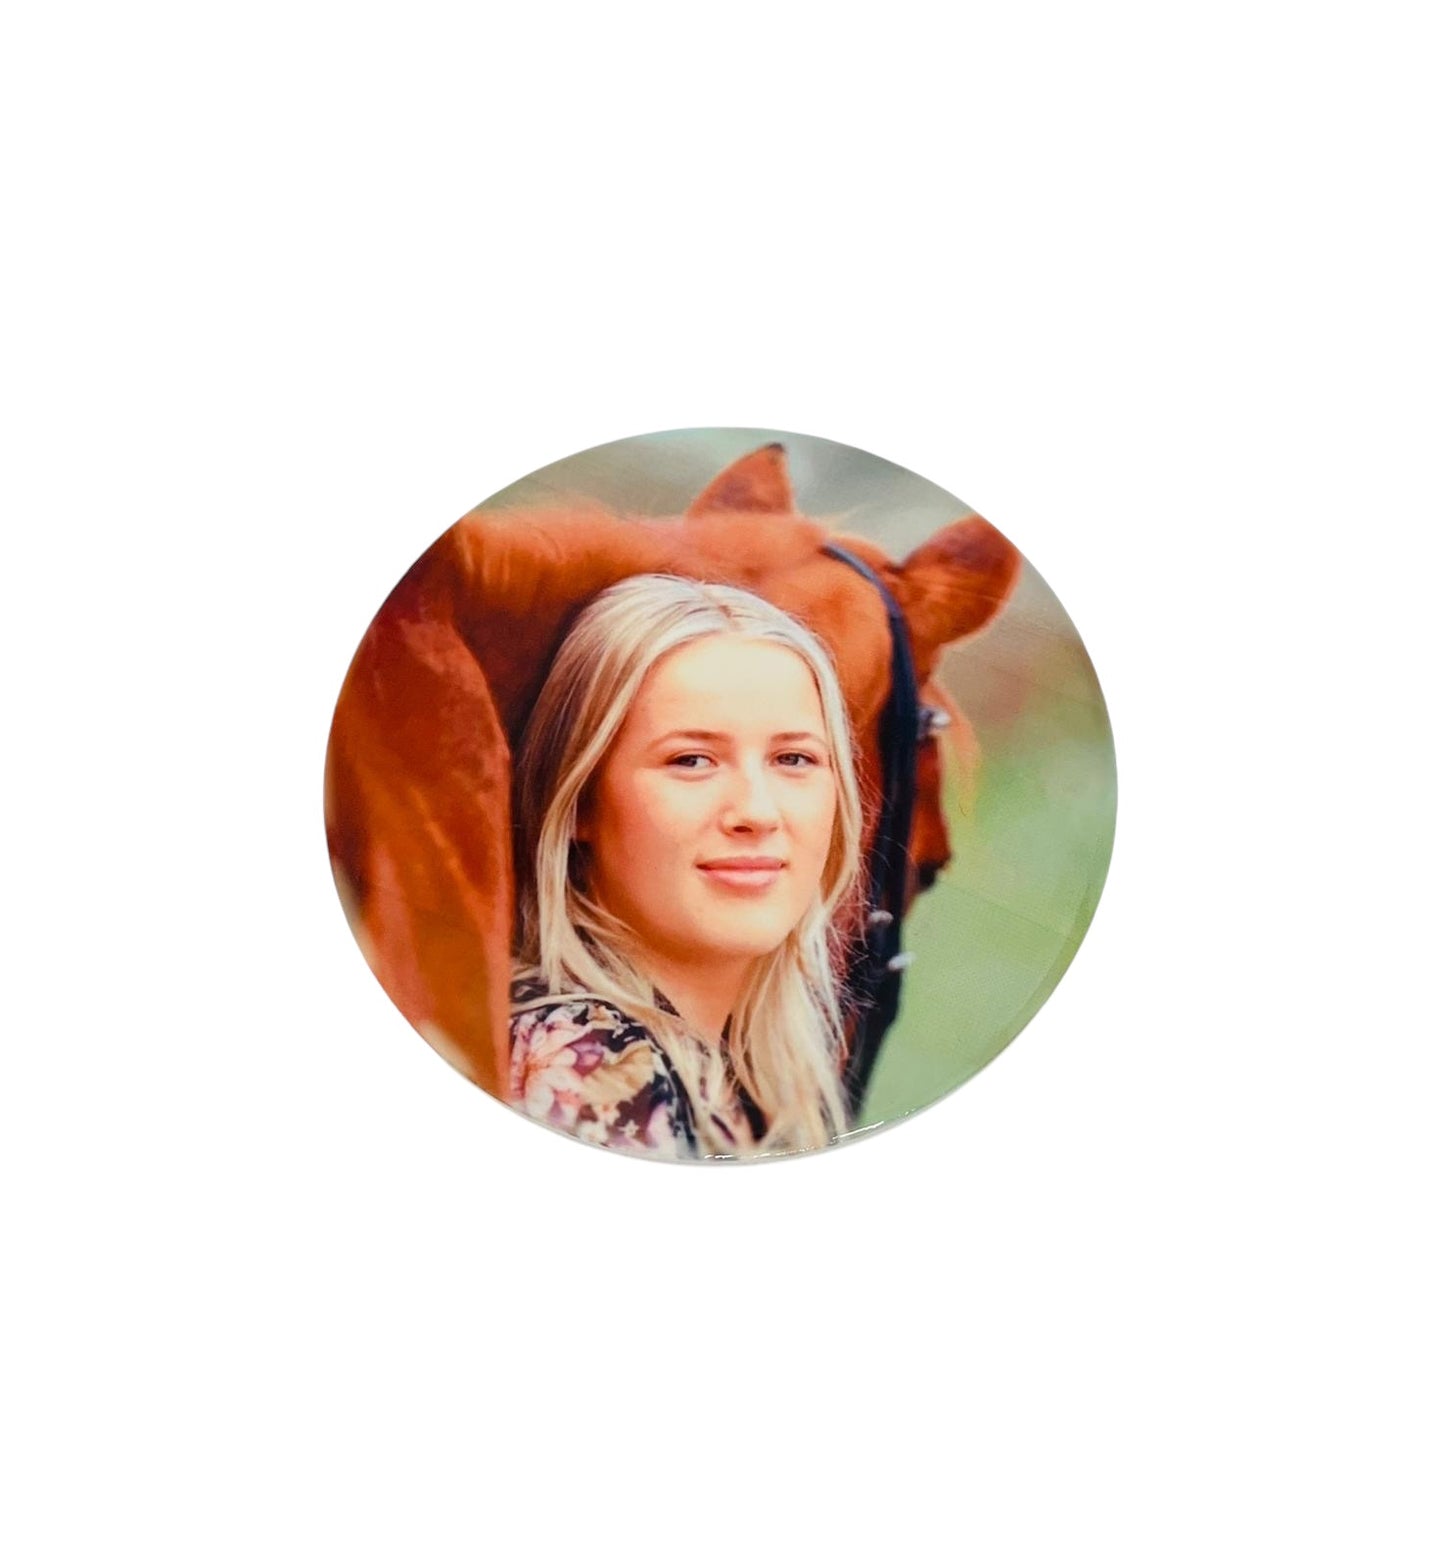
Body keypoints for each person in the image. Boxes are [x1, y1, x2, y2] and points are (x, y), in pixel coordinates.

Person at [509, 573, 865, 1160]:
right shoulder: (595, 1067)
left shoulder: (738, 1075)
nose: (757, 811)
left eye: (793, 758)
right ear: (579, 801)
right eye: (692, 760)